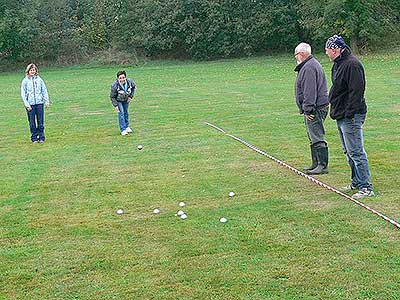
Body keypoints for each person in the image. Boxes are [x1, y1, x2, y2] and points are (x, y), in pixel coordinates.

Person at [325, 34, 374, 199]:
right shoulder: (338, 64)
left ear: (336, 49)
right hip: (341, 114)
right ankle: (356, 182)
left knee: (356, 151)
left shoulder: (352, 65)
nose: (326, 53)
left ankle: (366, 187)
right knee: (348, 151)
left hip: (352, 115)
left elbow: (357, 92)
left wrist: (349, 113)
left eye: (328, 49)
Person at [294, 42, 329, 175]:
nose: (295, 57)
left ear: (302, 54)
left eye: (296, 55)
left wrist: (308, 109)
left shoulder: (308, 68)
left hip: (315, 108)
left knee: (316, 135)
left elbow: (309, 91)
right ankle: (315, 163)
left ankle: (322, 165)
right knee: (312, 135)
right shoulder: (309, 65)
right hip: (316, 106)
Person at [20, 63, 50, 143]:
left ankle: (41, 137)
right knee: (32, 123)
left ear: (36, 71)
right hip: (30, 105)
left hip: (39, 103)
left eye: (34, 70)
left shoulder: (39, 80)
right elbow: (23, 94)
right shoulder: (25, 81)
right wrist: (27, 105)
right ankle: (34, 138)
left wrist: (46, 101)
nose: (32, 71)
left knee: (40, 122)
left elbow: (44, 90)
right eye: (31, 70)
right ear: (28, 71)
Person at [110, 70, 136, 135]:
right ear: (118, 78)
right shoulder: (114, 85)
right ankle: (123, 129)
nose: (122, 79)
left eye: (123, 77)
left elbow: (133, 88)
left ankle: (127, 127)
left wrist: (130, 96)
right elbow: (112, 97)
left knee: (126, 112)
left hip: (126, 100)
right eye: (120, 78)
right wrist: (115, 106)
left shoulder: (130, 82)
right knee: (121, 114)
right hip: (118, 100)